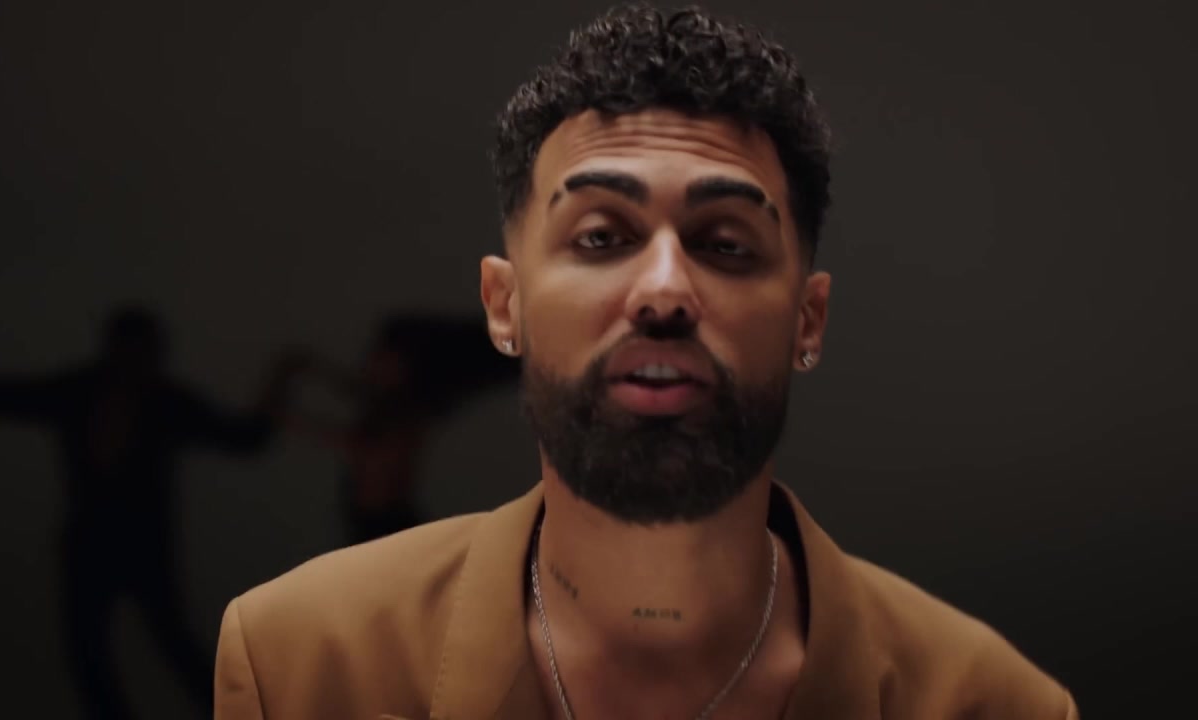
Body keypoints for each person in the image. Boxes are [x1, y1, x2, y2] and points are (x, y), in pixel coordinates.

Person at [214, 5, 1077, 719]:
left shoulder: (994, 705)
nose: (664, 291)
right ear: (504, 306)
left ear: (807, 320)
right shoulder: (298, 665)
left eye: (725, 244)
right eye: (601, 237)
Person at [0, 306, 304, 720]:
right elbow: (1, 398)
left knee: (160, 647)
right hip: (95, 544)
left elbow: (244, 438)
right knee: (99, 652)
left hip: (136, 546)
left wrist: (279, 383)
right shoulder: (96, 392)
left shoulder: (159, 400)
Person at [282, 313, 520, 545]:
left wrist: (290, 414)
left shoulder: (405, 417)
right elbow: (355, 395)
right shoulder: (399, 408)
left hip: (384, 525)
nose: (370, 361)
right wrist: (308, 370)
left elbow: (361, 445)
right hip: (384, 524)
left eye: (381, 355)